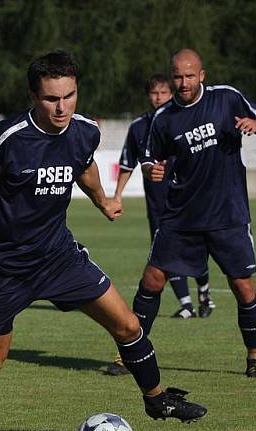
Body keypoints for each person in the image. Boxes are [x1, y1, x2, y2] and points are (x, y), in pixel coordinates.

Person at [0, 51, 207, 431]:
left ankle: (157, 398)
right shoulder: (8, 137)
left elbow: (85, 166)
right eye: (51, 99)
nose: (62, 107)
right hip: (4, 265)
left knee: (127, 324)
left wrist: (103, 199)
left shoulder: (84, 130)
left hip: (58, 256)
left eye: (69, 96)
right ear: (33, 96)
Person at [135, 48, 256, 378]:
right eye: (177, 77)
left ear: (202, 75)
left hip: (228, 214)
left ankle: (254, 358)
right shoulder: (163, 118)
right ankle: (130, 351)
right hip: (182, 217)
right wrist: (150, 171)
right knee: (152, 279)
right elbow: (148, 158)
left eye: (189, 76)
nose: (183, 83)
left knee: (244, 287)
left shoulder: (226, 98)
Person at [105, 74, 216, 376]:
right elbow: (128, 162)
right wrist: (115, 195)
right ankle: (184, 307)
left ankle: (200, 297)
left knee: (173, 264)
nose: (158, 97)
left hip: (191, 206)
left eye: (163, 92)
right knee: (158, 270)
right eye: (153, 92)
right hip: (160, 209)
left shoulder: (186, 120)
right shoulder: (140, 127)